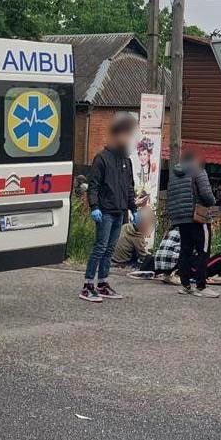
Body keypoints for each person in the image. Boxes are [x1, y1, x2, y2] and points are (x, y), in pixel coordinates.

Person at [83, 115, 138, 303]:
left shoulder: (126, 161)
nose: (127, 139)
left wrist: (133, 209)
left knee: (110, 250)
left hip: (119, 212)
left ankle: (103, 283)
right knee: (100, 247)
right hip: (104, 211)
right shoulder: (101, 159)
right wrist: (94, 206)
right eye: (125, 134)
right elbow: (94, 186)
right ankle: (88, 284)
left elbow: (129, 187)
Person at [166, 149, 219, 298]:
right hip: (197, 216)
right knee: (203, 250)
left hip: (180, 217)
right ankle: (201, 286)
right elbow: (206, 195)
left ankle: (185, 285)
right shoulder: (198, 171)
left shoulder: (174, 174)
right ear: (195, 159)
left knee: (185, 249)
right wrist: (213, 202)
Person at [113, 208, 156, 277]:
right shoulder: (137, 236)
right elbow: (143, 256)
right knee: (148, 262)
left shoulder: (125, 226)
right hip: (123, 262)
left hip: (113, 258)